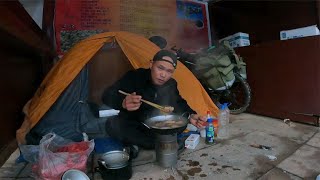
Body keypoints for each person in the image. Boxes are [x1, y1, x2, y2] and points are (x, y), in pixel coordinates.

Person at [102, 49, 206, 149]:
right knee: (113, 124)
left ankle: (149, 144)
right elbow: (106, 95)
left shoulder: (171, 84)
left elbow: (179, 102)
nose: (163, 75)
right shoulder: (134, 76)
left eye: (169, 71)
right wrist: (123, 102)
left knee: (180, 124)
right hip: (136, 124)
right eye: (160, 68)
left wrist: (190, 115)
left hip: (159, 126)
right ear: (151, 64)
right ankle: (161, 143)